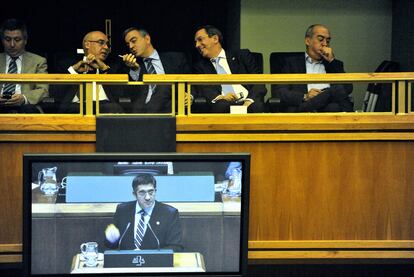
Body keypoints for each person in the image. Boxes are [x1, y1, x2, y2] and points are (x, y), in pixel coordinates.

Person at [274, 24, 353, 112]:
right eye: (320, 39)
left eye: (328, 41)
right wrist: (305, 96)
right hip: (302, 105)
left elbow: (348, 88)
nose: (325, 44)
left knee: (334, 105)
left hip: (327, 108)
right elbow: (280, 91)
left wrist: (331, 60)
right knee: (335, 91)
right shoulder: (291, 62)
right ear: (308, 41)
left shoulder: (334, 64)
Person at [192, 25, 266, 113]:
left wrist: (249, 101)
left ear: (215, 38)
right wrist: (221, 97)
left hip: (248, 101)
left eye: (200, 40)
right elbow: (204, 89)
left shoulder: (242, 56)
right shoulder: (200, 67)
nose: (197, 45)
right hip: (222, 103)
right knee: (222, 106)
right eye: (196, 42)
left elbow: (259, 82)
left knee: (257, 106)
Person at [105, 173, 183, 251]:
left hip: (156, 262)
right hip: (126, 262)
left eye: (151, 192)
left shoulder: (169, 213)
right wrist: (111, 239)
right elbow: (111, 246)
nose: (147, 197)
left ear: (155, 191)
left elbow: (175, 247)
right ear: (134, 194)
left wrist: (147, 256)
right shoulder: (123, 210)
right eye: (142, 193)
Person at [120, 27, 190, 113]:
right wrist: (135, 70)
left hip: (173, 107)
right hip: (142, 108)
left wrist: (190, 96)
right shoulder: (130, 66)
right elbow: (131, 95)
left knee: (164, 85)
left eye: (133, 41)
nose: (131, 46)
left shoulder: (176, 58)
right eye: (128, 44)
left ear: (147, 39)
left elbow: (191, 82)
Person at [57, 31, 124, 113]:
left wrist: (104, 69)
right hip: (75, 108)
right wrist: (73, 71)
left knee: (113, 108)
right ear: (87, 45)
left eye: (107, 44)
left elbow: (120, 95)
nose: (106, 47)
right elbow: (57, 94)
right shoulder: (67, 65)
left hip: (105, 108)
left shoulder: (113, 67)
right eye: (101, 42)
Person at [0, 18, 48, 113]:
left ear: (25, 40)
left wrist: (24, 98)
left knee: (28, 110)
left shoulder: (38, 61)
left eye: (17, 40)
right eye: (8, 39)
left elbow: (43, 90)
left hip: (25, 107)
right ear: (2, 40)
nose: (12, 44)